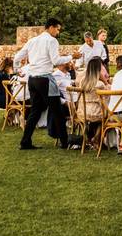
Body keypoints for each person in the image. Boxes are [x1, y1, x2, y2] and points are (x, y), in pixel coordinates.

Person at [13, 18, 81, 149]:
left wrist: (17, 71)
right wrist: (72, 56)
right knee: (57, 111)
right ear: (51, 27)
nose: (58, 32)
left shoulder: (32, 41)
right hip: (45, 80)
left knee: (35, 112)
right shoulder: (52, 40)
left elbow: (17, 57)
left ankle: (25, 142)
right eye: (57, 29)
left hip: (32, 80)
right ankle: (65, 142)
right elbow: (56, 60)